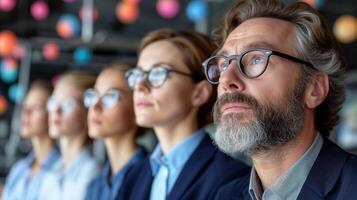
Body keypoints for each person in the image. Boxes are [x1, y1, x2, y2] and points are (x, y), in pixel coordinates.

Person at [201, 0, 357, 199]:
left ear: (314, 89)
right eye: (223, 64)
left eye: (256, 59)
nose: (227, 80)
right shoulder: (225, 195)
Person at [119, 29, 250, 200]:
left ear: (200, 93)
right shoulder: (133, 176)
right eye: (138, 74)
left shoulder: (230, 177)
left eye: (158, 73)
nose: (140, 86)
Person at [84, 63, 147, 200]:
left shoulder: (150, 176)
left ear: (137, 107)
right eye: (94, 95)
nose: (96, 106)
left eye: (110, 96)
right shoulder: (94, 186)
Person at [39, 71, 99, 200]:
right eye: (53, 102)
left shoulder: (93, 172)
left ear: (88, 111)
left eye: (68, 104)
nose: (56, 110)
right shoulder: (52, 170)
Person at [2, 80, 60, 200]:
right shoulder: (19, 169)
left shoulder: (62, 169)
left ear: (53, 113)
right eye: (25, 107)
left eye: (36, 107)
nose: (26, 113)